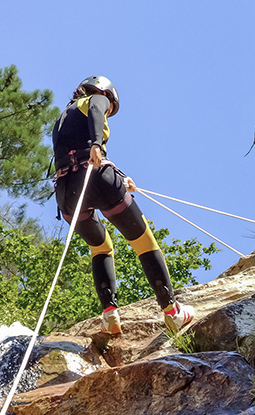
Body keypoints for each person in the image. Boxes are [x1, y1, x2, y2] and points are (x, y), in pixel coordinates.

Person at [52, 75, 195, 336]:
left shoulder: (62, 119)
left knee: (101, 247)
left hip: (66, 195)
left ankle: (110, 316)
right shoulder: (95, 99)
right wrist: (97, 144)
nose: (107, 111)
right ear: (103, 92)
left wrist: (121, 175)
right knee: (143, 241)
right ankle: (172, 312)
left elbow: (75, 155)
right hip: (97, 178)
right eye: (109, 107)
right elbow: (97, 114)